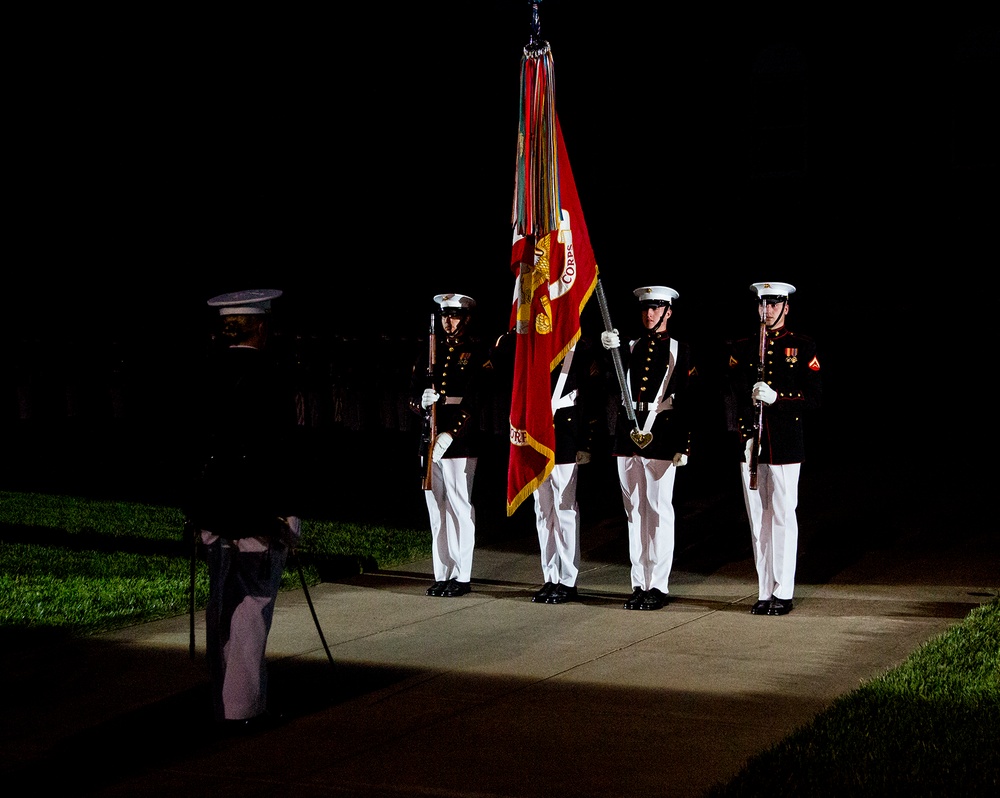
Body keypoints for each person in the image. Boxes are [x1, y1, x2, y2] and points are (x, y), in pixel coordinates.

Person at [183, 288, 303, 732]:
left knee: (222, 605)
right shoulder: (272, 375)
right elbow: (280, 452)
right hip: (259, 512)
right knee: (252, 605)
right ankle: (244, 708)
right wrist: (286, 512)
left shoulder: (202, 373)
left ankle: (223, 702)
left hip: (213, 509)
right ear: (261, 327)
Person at [727, 281, 822, 617]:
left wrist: (778, 398)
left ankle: (783, 591)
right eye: (762, 304)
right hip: (752, 443)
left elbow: (814, 398)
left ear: (786, 307)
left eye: (773, 304)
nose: (766, 310)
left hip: (784, 444)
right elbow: (733, 395)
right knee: (758, 520)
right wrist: (742, 434)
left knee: (781, 516)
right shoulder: (743, 347)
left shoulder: (801, 346)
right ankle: (764, 589)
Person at [600, 285, 695, 611]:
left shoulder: (680, 350)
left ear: (668, 312)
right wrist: (609, 352)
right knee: (634, 512)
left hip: (662, 435)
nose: (649, 314)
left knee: (658, 511)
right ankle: (639, 582)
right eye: (645, 309)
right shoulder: (630, 346)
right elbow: (611, 385)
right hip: (629, 434)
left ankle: (658, 585)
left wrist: (683, 444)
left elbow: (688, 399)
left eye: (655, 308)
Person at [493, 330, 602, 604]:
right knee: (543, 509)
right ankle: (550, 576)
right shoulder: (530, 344)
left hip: (565, 433)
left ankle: (568, 579)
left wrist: (585, 442)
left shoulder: (578, 347)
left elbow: (591, 398)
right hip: (536, 433)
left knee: (565, 508)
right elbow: (501, 360)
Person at [408, 292, 492, 598]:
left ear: (466, 319)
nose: (449, 321)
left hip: (460, 441)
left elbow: (476, 398)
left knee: (459, 506)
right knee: (437, 510)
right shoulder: (430, 351)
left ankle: (461, 574)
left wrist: (451, 433)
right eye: (445, 315)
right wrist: (421, 402)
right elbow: (412, 393)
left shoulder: (476, 353)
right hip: (430, 437)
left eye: (454, 316)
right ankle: (442, 573)